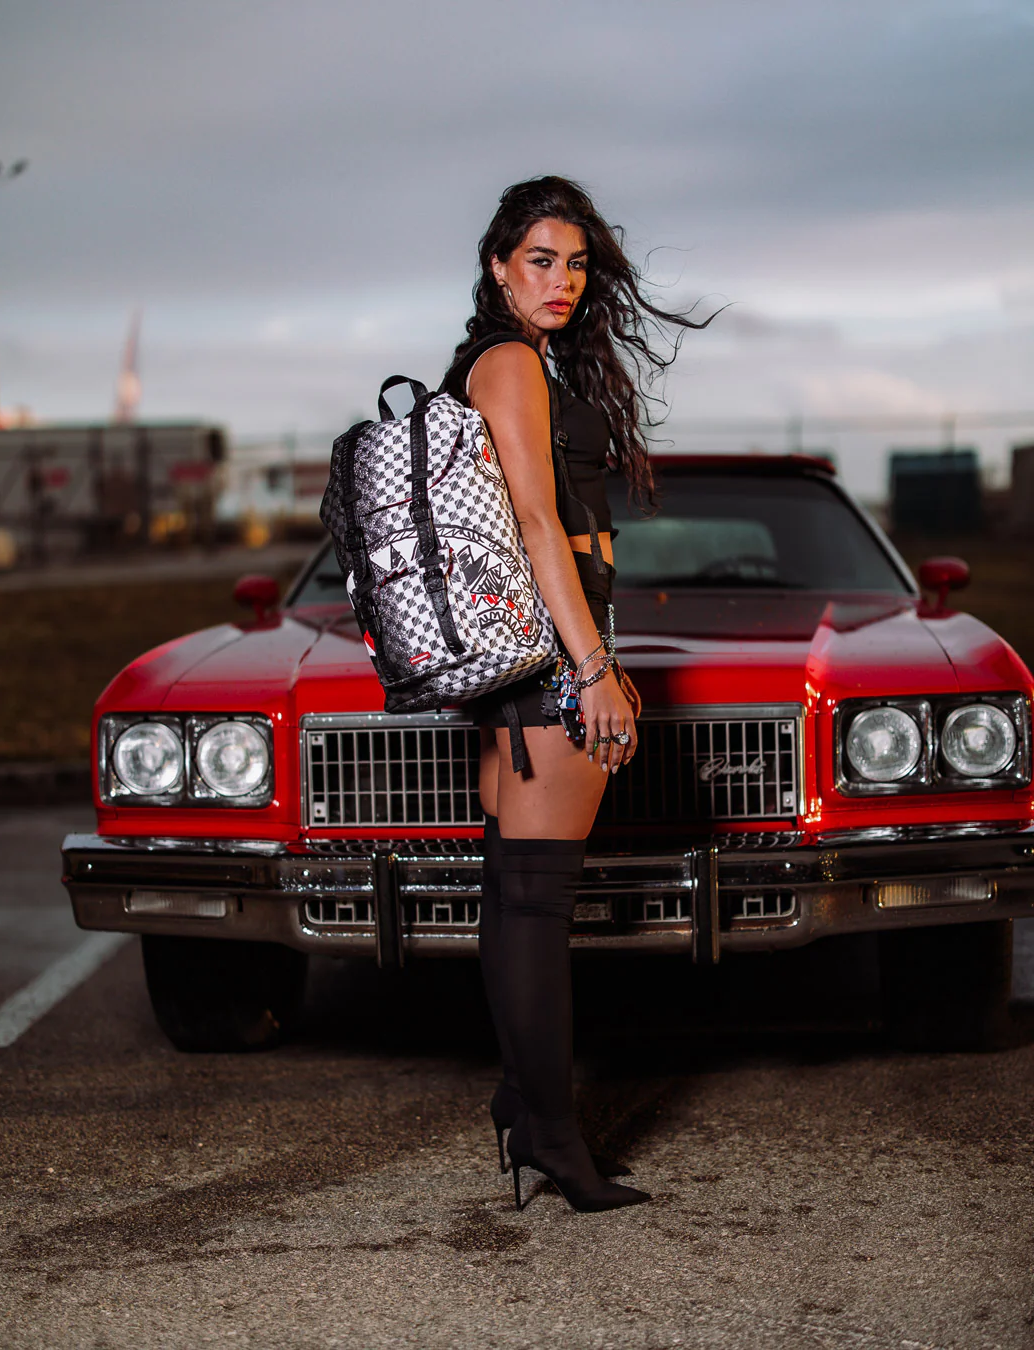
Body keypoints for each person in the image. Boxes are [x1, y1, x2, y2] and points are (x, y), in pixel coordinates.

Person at [442, 176, 713, 1214]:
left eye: (577, 263)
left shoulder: (508, 358)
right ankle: (554, 1136)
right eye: (540, 261)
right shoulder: (510, 362)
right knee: (536, 903)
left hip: (528, 652)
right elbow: (536, 524)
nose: (562, 281)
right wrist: (591, 667)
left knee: (515, 897)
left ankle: (526, 1106)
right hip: (549, 658)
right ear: (498, 265)